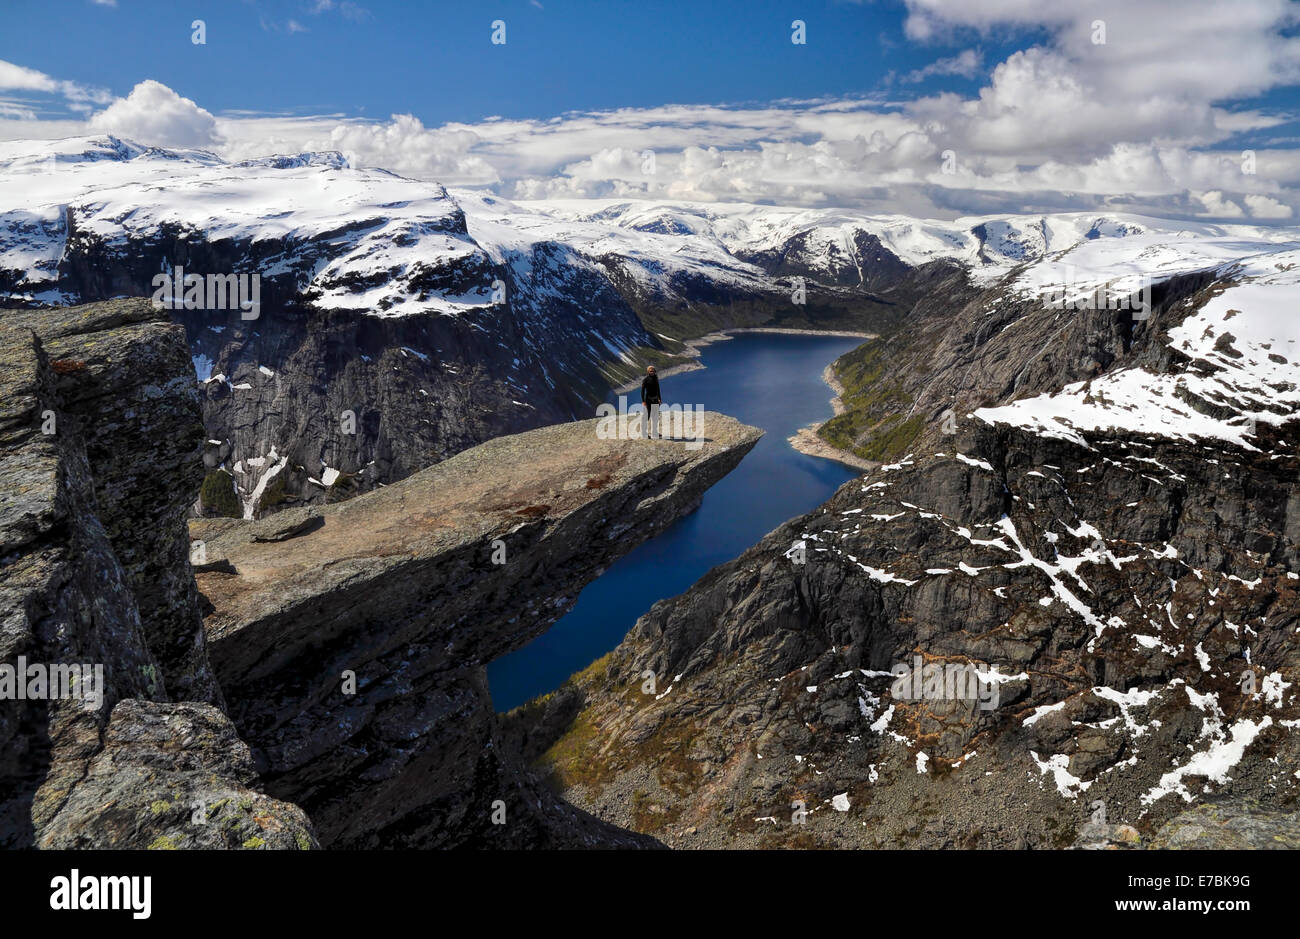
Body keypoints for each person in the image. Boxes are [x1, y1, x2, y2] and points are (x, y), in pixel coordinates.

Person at [640, 365, 661, 439]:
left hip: (655, 400)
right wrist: (643, 401)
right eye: (650, 371)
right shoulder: (645, 380)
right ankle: (644, 433)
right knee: (647, 416)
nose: (652, 372)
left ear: (654, 371)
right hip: (648, 400)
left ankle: (654, 432)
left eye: (653, 371)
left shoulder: (656, 378)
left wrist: (659, 399)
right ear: (648, 372)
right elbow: (642, 391)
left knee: (655, 417)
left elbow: (658, 389)